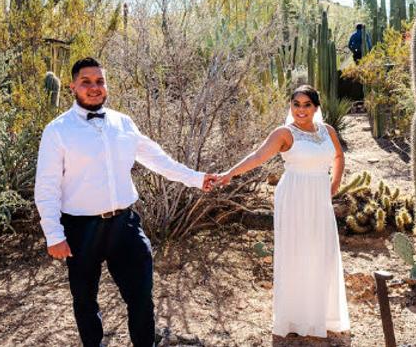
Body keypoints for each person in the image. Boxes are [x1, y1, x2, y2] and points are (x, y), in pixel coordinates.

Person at [34, 57, 216, 347]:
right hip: (80, 230)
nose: (94, 88)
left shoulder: (123, 123)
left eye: (100, 81)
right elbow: (46, 186)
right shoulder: (57, 130)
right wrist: (53, 234)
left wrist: (196, 178)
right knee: (85, 300)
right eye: (86, 82)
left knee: (142, 297)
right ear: (72, 87)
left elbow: (158, 159)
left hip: (124, 225)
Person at [214, 84, 350, 338]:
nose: (301, 110)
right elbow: (257, 156)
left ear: (316, 107)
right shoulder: (285, 133)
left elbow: (339, 156)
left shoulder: (327, 131)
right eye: (296, 104)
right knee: (297, 252)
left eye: (306, 104)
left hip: (320, 198)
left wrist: (335, 183)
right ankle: (295, 319)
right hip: (295, 196)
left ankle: (322, 315)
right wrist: (229, 173)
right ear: (291, 106)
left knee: (322, 252)